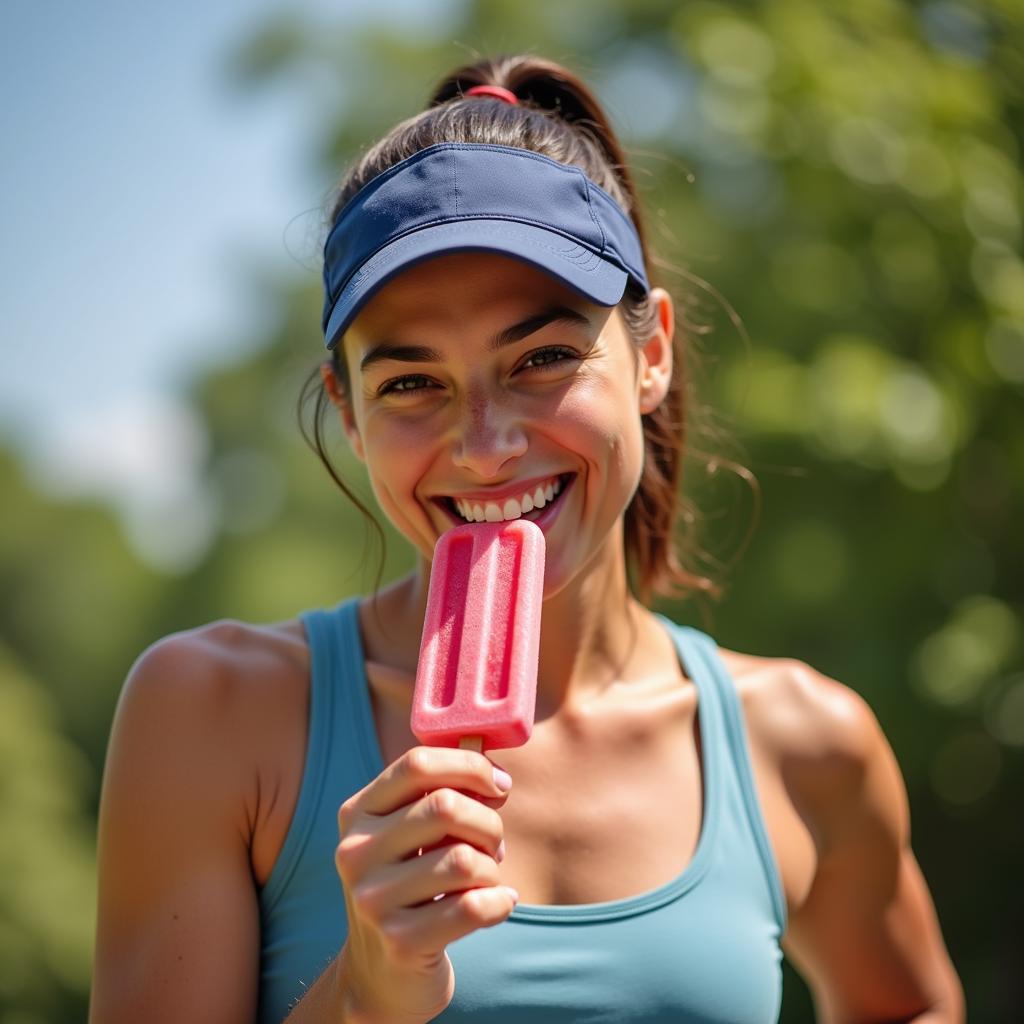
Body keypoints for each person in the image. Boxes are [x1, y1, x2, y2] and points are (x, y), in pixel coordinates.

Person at [90, 54, 965, 1024]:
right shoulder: (214, 715)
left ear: (653, 354)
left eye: (543, 358)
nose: (485, 446)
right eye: (412, 383)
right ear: (346, 407)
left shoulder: (805, 744)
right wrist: (363, 993)